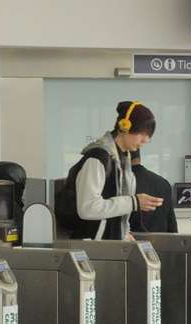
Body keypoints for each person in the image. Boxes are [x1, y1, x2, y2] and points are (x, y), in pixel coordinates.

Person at [66, 100, 164, 241]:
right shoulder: (98, 158)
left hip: (108, 243)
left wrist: (123, 232)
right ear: (124, 128)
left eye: (148, 135)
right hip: (92, 245)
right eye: (142, 133)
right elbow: (87, 208)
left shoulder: (123, 158)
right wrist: (133, 202)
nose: (145, 140)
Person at [128, 150, 177, 234]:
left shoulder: (119, 184)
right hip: (160, 243)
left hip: (128, 244)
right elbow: (171, 222)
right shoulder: (162, 182)